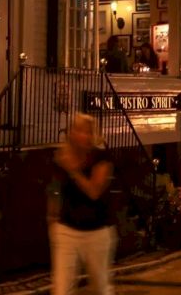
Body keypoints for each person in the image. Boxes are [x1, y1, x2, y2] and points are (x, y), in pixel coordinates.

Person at [48, 114, 115, 295]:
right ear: (71, 133)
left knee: (100, 286)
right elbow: (54, 189)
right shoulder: (62, 156)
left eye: (88, 132)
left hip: (96, 231)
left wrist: (74, 170)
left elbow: (94, 191)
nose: (84, 136)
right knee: (61, 289)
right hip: (67, 229)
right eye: (79, 131)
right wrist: (52, 219)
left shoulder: (101, 158)